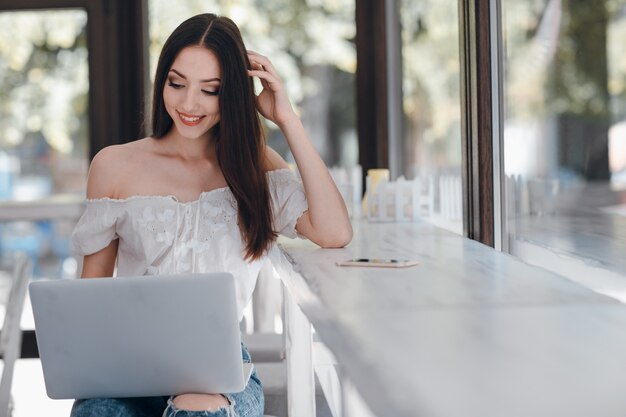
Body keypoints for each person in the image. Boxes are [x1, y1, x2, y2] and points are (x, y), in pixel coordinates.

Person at [69, 12, 352, 417]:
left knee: (198, 411)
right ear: (162, 80)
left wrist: (287, 120)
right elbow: (90, 296)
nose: (188, 104)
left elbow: (333, 231)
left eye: (210, 90)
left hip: (218, 366)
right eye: (177, 83)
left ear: (233, 94)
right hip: (129, 356)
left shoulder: (257, 167)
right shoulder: (114, 166)